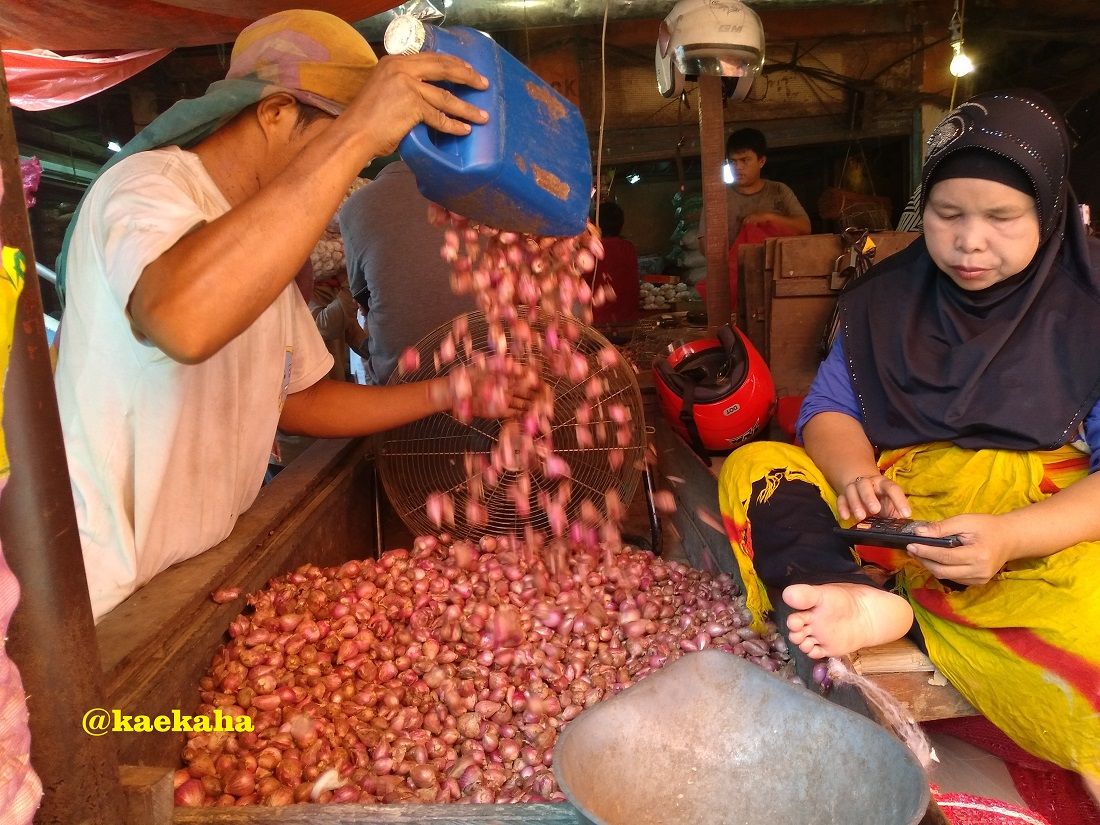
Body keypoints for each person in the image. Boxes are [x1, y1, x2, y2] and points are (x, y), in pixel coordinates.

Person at [53, 9, 523, 621]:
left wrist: (448, 391)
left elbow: (297, 398)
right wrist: (357, 131)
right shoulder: (147, 189)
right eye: (336, 138)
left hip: (188, 574)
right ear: (275, 112)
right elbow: (183, 323)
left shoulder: (260, 231)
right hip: (102, 591)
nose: (348, 174)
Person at [716, 90, 1100, 800]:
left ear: (1048, 212)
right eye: (947, 215)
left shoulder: (1090, 307)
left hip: (1035, 543)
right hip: (892, 525)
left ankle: (900, 611)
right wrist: (857, 470)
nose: (969, 241)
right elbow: (830, 408)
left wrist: (1010, 537)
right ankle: (860, 591)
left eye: (1003, 218)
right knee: (756, 468)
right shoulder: (885, 298)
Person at [339, 160, 476, 385]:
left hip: (398, 385)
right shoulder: (484, 192)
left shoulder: (355, 207)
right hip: (487, 367)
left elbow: (362, 300)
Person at [308, 178, 369, 380]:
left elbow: (351, 331)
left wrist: (382, 357)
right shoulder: (306, 287)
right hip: (313, 390)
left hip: (336, 383)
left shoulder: (335, 285)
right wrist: (351, 281)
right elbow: (324, 326)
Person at [721, 127, 810, 240]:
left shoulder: (779, 190)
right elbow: (705, 243)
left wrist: (767, 218)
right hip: (734, 257)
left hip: (776, 257)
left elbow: (805, 227)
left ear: (761, 161)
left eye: (745, 160)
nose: (738, 167)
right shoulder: (720, 197)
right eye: (733, 161)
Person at [589, 201, 640, 327]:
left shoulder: (593, 248)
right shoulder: (629, 248)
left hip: (600, 322)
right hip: (629, 320)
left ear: (596, 224)